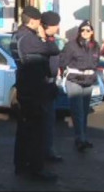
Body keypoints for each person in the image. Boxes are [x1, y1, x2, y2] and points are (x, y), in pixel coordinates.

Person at [10, 6, 60, 182]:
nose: (41, 24)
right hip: (33, 90)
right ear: (32, 21)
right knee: (35, 132)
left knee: (25, 130)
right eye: (39, 21)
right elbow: (53, 49)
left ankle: (21, 165)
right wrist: (42, 36)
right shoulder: (28, 38)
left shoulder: (17, 35)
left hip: (26, 88)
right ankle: (36, 168)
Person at [59, 20, 100, 152]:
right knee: (77, 111)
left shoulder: (95, 46)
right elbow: (63, 60)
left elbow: (96, 62)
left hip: (88, 80)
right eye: (82, 30)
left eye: (88, 30)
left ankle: (83, 137)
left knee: (84, 111)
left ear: (92, 32)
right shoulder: (71, 45)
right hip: (74, 80)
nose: (85, 33)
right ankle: (80, 139)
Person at [40, 11, 63, 163]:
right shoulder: (40, 42)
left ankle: (48, 150)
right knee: (44, 122)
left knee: (49, 121)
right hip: (43, 85)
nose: (59, 27)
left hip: (51, 83)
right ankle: (44, 153)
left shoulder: (51, 40)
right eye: (56, 24)